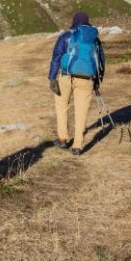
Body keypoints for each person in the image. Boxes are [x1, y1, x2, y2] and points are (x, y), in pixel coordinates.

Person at [48, 12, 106, 156]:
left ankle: (63, 139)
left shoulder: (66, 36)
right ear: (87, 22)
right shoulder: (94, 39)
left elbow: (56, 57)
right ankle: (77, 146)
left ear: (74, 22)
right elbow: (101, 61)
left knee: (62, 106)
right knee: (81, 111)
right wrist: (97, 81)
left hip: (66, 76)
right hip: (87, 79)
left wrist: (52, 77)